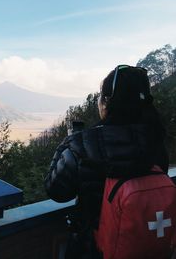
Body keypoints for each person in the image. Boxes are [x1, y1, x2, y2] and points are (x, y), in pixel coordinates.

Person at [44, 65, 169, 258]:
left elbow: (57, 191)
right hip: (147, 246)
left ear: (107, 101)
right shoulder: (155, 140)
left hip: (93, 248)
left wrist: (66, 144)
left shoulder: (83, 144)